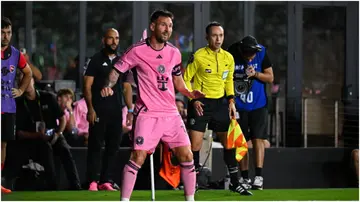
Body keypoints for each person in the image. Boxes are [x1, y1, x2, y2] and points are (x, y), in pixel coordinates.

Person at [100, 10, 205, 201]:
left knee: (187, 156)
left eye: (170, 26)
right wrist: (108, 86)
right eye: (163, 25)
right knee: (137, 157)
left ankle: (190, 200)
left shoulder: (174, 53)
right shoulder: (136, 50)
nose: (167, 29)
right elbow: (116, 71)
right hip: (147, 114)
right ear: (153, 26)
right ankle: (124, 200)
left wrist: (191, 95)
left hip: (171, 114)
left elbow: (178, 82)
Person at [183, 21, 252, 196]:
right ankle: (193, 183)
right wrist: (193, 99)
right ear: (207, 37)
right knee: (195, 145)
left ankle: (235, 183)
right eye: (214, 35)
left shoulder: (228, 57)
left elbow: (228, 81)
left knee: (228, 143)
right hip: (201, 104)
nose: (218, 39)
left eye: (220, 35)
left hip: (221, 103)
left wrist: (231, 101)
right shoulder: (198, 56)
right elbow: (185, 78)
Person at [83, 28, 133, 191]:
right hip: (98, 110)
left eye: (117, 38)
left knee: (113, 146)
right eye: (110, 38)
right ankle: (92, 181)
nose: (114, 42)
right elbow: (87, 85)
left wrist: (130, 110)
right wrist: (90, 109)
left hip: (116, 111)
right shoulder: (96, 60)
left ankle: (107, 181)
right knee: (95, 146)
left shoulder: (122, 60)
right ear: (104, 40)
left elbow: (126, 87)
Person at [14, 75, 81, 190]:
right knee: (46, 149)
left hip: (53, 134)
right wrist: (38, 135)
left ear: (33, 81)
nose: (26, 84)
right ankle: (52, 186)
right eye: (22, 81)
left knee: (64, 149)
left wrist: (57, 134)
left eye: (28, 80)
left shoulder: (48, 97)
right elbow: (19, 133)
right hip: (33, 139)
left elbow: (62, 119)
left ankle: (76, 186)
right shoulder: (18, 103)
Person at [227, 35, 274, 190]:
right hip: (239, 105)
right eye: (248, 55)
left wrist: (255, 74)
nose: (250, 57)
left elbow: (270, 77)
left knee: (258, 139)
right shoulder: (232, 53)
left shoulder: (261, 52)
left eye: (253, 54)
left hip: (258, 104)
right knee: (241, 142)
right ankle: (245, 177)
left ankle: (259, 177)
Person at [1, 16, 32, 194]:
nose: (5, 36)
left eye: (8, 32)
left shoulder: (15, 54)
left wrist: (20, 90)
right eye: (2, 33)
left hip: (7, 105)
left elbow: (28, 73)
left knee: (3, 144)